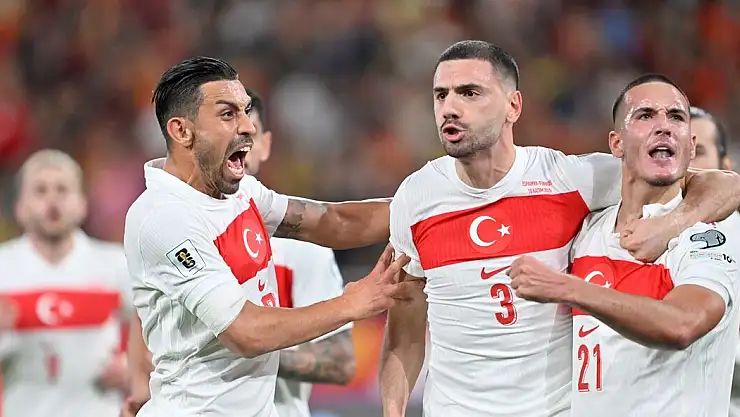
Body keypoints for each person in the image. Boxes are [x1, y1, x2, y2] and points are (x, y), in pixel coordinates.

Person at [379, 40, 740, 417]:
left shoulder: (570, 181)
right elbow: (405, 324)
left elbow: (720, 183)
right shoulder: (416, 197)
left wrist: (670, 225)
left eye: (469, 93)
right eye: (441, 95)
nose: (450, 107)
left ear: (513, 106)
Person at [123, 56, 417, 417]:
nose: (248, 126)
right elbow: (245, 332)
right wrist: (351, 304)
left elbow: (331, 221)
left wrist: (426, 204)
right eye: (228, 114)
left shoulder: (239, 193)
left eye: (246, 111)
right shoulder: (164, 217)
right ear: (182, 131)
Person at [509, 74, 740, 416]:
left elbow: (683, 324)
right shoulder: (588, 232)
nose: (664, 126)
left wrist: (569, 288)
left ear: (690, 146)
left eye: (676, 117)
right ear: (616, 144)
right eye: (645, 115)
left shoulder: (709, 235)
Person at [0, 149, 132, 417]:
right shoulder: (4, 267)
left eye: (62, 189)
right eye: (40, 190)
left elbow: (160, 331)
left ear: (82, 204)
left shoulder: (116, 264)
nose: (52, 200)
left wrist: (133, 367)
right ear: (20, 207)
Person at [687, 106, 740, 417]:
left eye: (699, 151)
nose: (688, 162)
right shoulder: (633, 232)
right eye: (681, 150)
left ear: (726, 166)